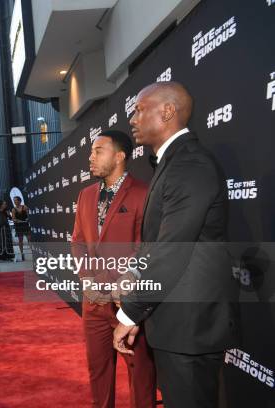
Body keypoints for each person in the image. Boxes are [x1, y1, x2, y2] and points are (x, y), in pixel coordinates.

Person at [113, 82, 240, 408]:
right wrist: (134, 272)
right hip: (179, 325)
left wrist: (129, 313)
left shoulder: (189, 163)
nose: (133, 119)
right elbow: (157, 241)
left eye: (140, 110)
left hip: (190, 326)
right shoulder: (173, 162)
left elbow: (172, 250)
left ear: (167, 111)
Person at [71, 130, 156, 408]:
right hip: (92, 303)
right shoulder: (85, 195)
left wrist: (102, 281)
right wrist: (86, 280)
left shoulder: (144, 193)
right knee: (98, 372)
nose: (90, 157)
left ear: (119, 156)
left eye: (98, 150)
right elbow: (78, 242)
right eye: (91, 151)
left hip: (128, 302)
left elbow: (143, 248)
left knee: (140, 375)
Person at [11, 196, 30, 261]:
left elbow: (28, 215)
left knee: (29, 238)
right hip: (18, 226)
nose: (15, 201)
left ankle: (33, 251)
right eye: (14, 200)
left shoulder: (24, 207)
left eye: (16, 200)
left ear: (19, 201)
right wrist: (17, 221)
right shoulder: (13, 209)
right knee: (20, 240)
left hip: (25, 225)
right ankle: (22, 253)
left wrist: (27, 219)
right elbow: (13, 219)